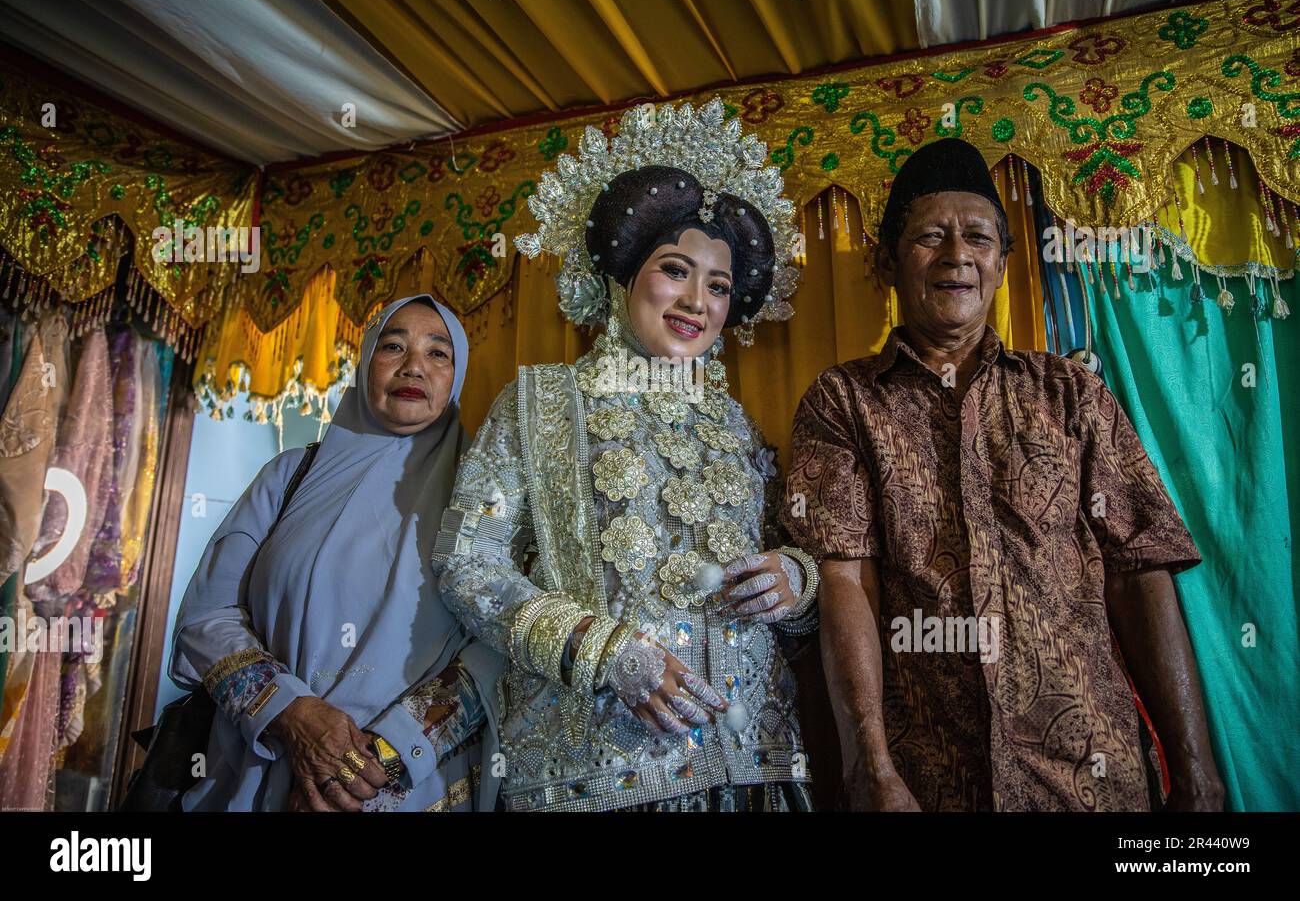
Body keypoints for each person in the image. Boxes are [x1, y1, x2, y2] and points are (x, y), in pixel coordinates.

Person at [783, 138, 1224, 812]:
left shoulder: (1070, 393)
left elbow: (1142, 571)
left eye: (978, 239)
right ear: (887, 266)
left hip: (1090, 775)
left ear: (1000, 264)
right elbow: (845, 580)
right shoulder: (844, 401)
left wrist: (1195, 769)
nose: (958, 255)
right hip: (928, 777)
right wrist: (870, 765)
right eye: (930, 237)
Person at [433, 99, 818, 811]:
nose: (697, 301)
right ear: (622, 273)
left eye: (720, 285)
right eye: (676, 270)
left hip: (752, 771)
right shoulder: (539, 406)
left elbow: (792, 571)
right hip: (599, 769)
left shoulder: (736, 424)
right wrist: (603, 654)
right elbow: (467, 565)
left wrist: (798, 581)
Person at [169, 294, 502, 811]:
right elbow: (206, 615)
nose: (414, 365)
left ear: (456, 378)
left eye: (439, 353)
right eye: (393, 346)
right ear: (366, 361)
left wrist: (379, 758)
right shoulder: (287, 477)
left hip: (409, 786)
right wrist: (290, 712)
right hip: (265, 763)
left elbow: (499, 645)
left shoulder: (486, 497)